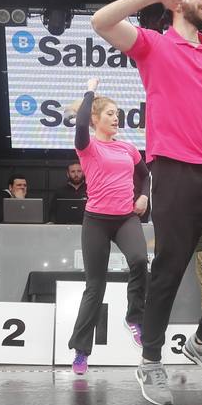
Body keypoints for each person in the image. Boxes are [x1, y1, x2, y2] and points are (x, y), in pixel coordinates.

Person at [92, 0, 202, 405]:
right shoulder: (154, 45)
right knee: (169, 268)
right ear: (178, 0)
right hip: (174, 172)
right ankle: (151, 361)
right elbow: (102, 22)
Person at [66, 78, 150, 374]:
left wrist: (143, 196)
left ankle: (134, 318)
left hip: (125, 217)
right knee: (95, 286)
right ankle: (80, 350)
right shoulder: (87, 147)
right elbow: (78, 127)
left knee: (140, 260)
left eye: (117, 114)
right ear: (95, 120)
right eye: (110, 114)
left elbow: (146, 176)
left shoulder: (128, 148)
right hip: (97, 221)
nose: (116, 118)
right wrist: (89, 90)